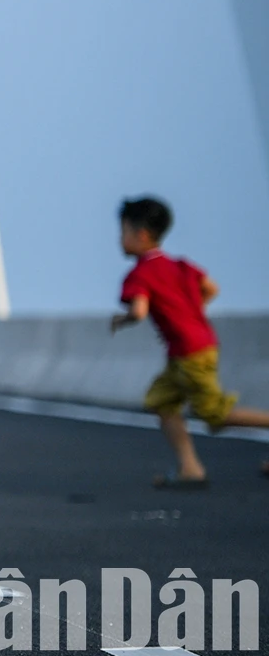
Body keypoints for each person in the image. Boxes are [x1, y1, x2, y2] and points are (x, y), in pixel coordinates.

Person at [110, 196, 269, 488]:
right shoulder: (179, 265)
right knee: (163, 400)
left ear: (140, 235)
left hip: (190, 352)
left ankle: (191, 467)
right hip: (194, 346)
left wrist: (122, 320)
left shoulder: (140, 273)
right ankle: (190, 467)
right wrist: (193, 313)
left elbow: (139, 310)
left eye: (123, 232)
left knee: (215, 414)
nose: (119, 240)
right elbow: (211, 287)